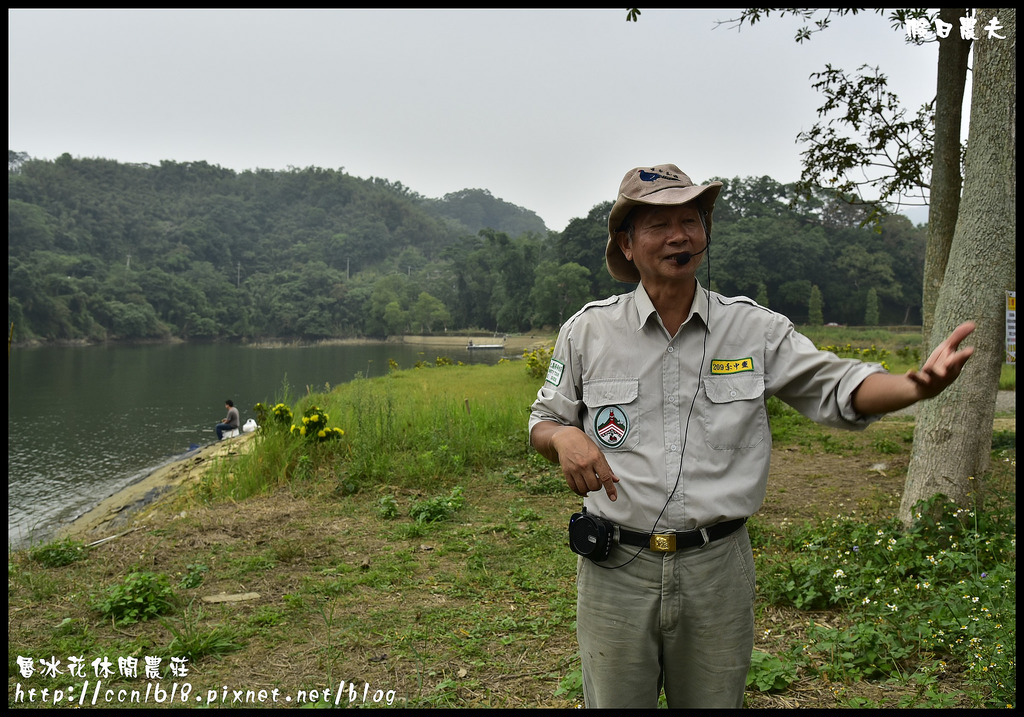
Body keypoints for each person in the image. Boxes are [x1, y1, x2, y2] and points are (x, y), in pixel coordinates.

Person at [527, 163, 976, 709]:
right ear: (625, 242)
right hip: (616, 570)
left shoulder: (753, 329)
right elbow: (544, 418)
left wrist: (912, 387)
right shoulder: (588, 330)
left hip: (717, 568)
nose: (679, 236)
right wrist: (563, 439)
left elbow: (836, 386)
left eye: (691, 220)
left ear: (705, 233)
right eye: (658, 225)